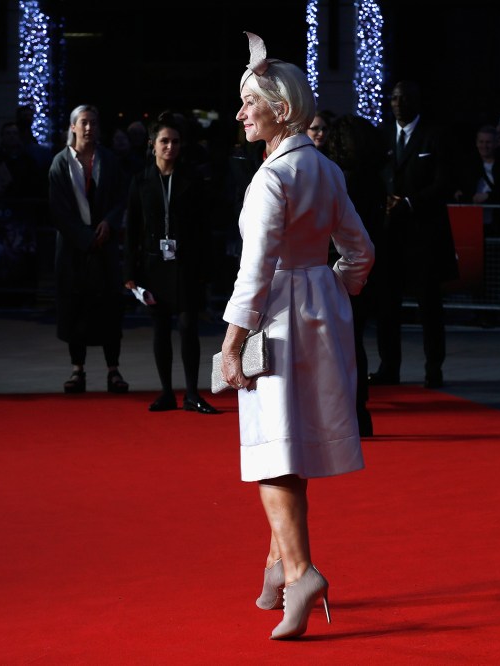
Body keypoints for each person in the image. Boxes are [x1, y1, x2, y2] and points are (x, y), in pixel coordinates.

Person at [218, 33, 374, 640]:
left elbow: (253, 273)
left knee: (271, 454)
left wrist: (231, 344)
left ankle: (303, 572)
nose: (239, 113)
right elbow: (360, 253)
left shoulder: (269, 181)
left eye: (248, 101)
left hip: (279, 316)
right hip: (320, 314)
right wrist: (333, 288)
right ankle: (277, 565)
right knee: (291, 448)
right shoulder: (328, 169)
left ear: (280, 109)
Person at [124, 111, 217, 414]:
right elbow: (132, 229)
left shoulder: (193, 180)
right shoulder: (140, 181)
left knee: (189, 327)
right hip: (153, 266)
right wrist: (130, 272)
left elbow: (205, 227)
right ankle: (166, 392)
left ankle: (191, 393)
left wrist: (205, 269)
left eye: (175, 142)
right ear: (152, 144)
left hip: (186, 264)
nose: (170, 147)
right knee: (160, 329)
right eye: (164, 141)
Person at [370, 80, 458, 389]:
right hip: (389, 237)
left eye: (404, 97)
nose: (397, 103)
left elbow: (445, 181)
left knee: (429, 308)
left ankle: (434, 369)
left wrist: (409, 202)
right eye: (393, 97)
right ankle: (388, 367)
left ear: (416, 101)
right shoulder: (381, 137)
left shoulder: (436, 135)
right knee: (386, 306)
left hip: (426, 236)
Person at [49, 104, 130, 394]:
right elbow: (58, 209)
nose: (88, 128)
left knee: (109, 306)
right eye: (83, 122)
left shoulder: (109, 160)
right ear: (72, 127)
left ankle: (113, 371)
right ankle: (77, 371)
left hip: (105, 245)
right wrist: (84, 237)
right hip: (73, 248)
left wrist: (109, 222)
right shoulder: (60, 162)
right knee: (75, 307)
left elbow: (121, 197)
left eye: (93, 122)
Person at [325, 113, 388, 437]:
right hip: (366, 270)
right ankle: (358, 411)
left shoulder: (341, 180)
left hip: (344, 270)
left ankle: (348, 412)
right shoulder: (373, 178)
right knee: (354, 344)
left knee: (342, 346)